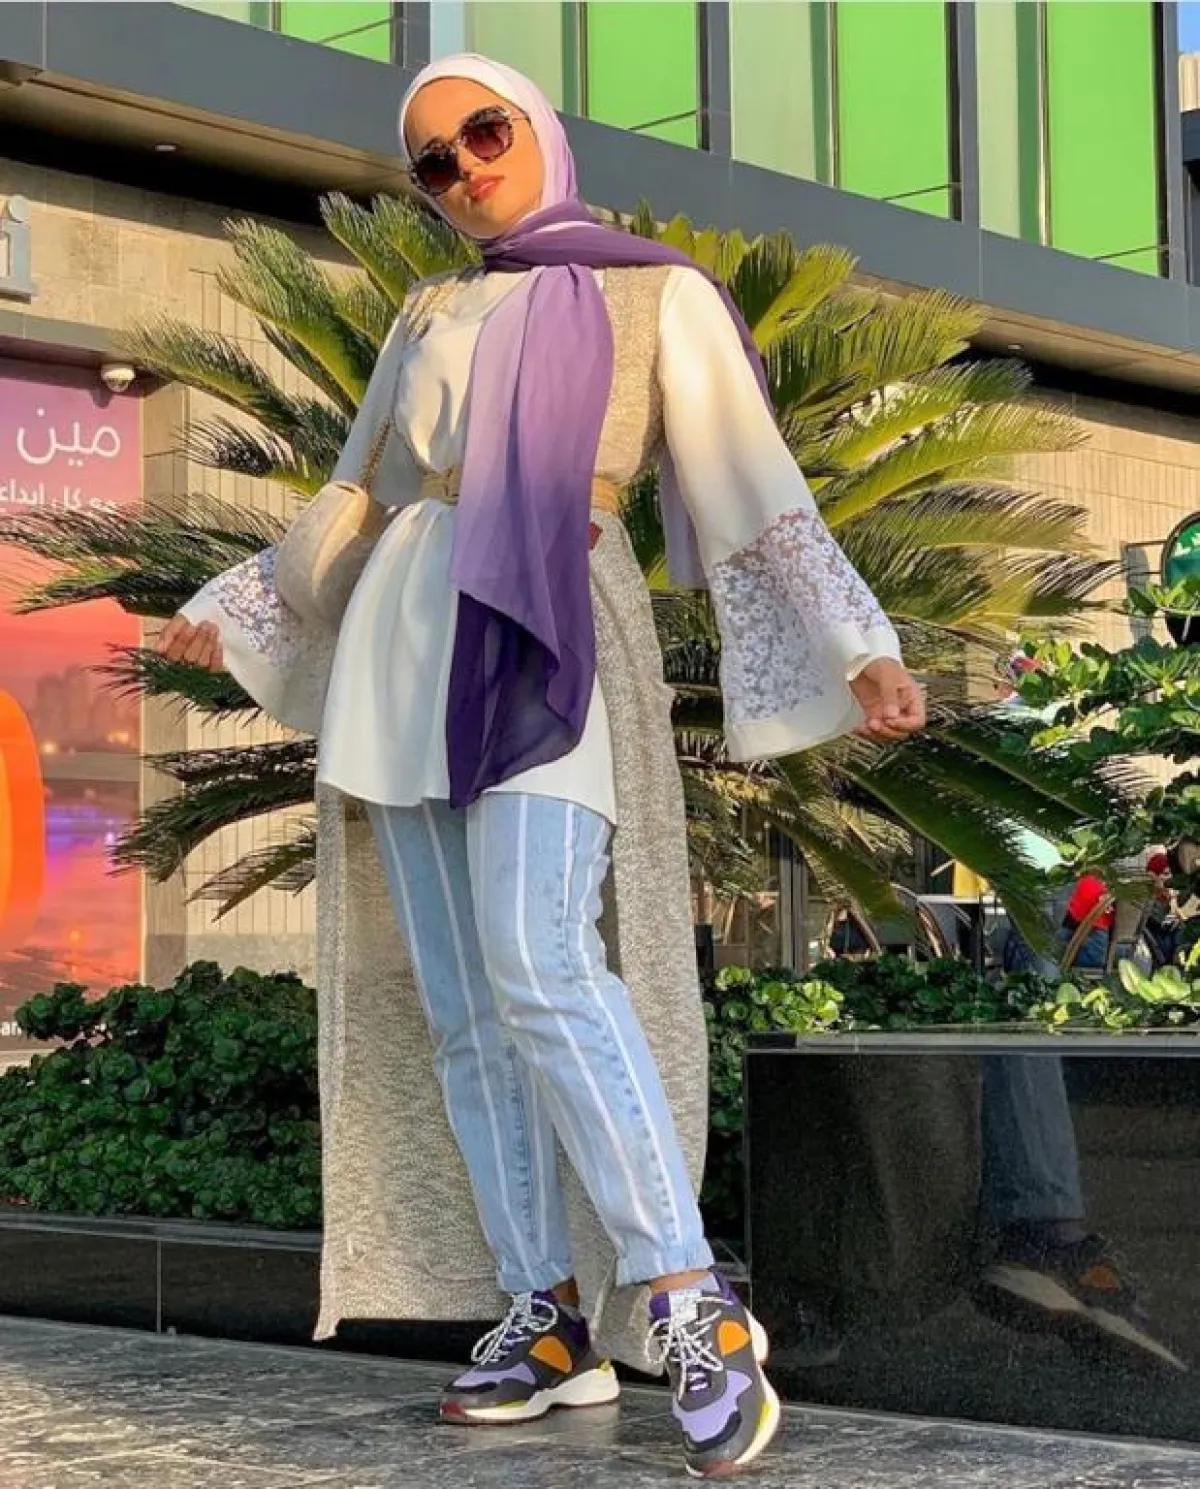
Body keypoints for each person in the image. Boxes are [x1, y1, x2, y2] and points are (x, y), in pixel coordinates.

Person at [155, 54, 925, 1477]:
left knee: (543, 959)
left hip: (552, 621)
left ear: (539, 132)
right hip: (406, 639)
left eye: (483, 133)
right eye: (432, 162)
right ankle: (545, 1311)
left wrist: (857, 642)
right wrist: (243, 602)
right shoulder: (429, 309)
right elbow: (362, 486)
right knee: (463, 1007)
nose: (464, 170)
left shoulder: (654, 294)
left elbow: (752, 480)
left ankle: (689, 1299)